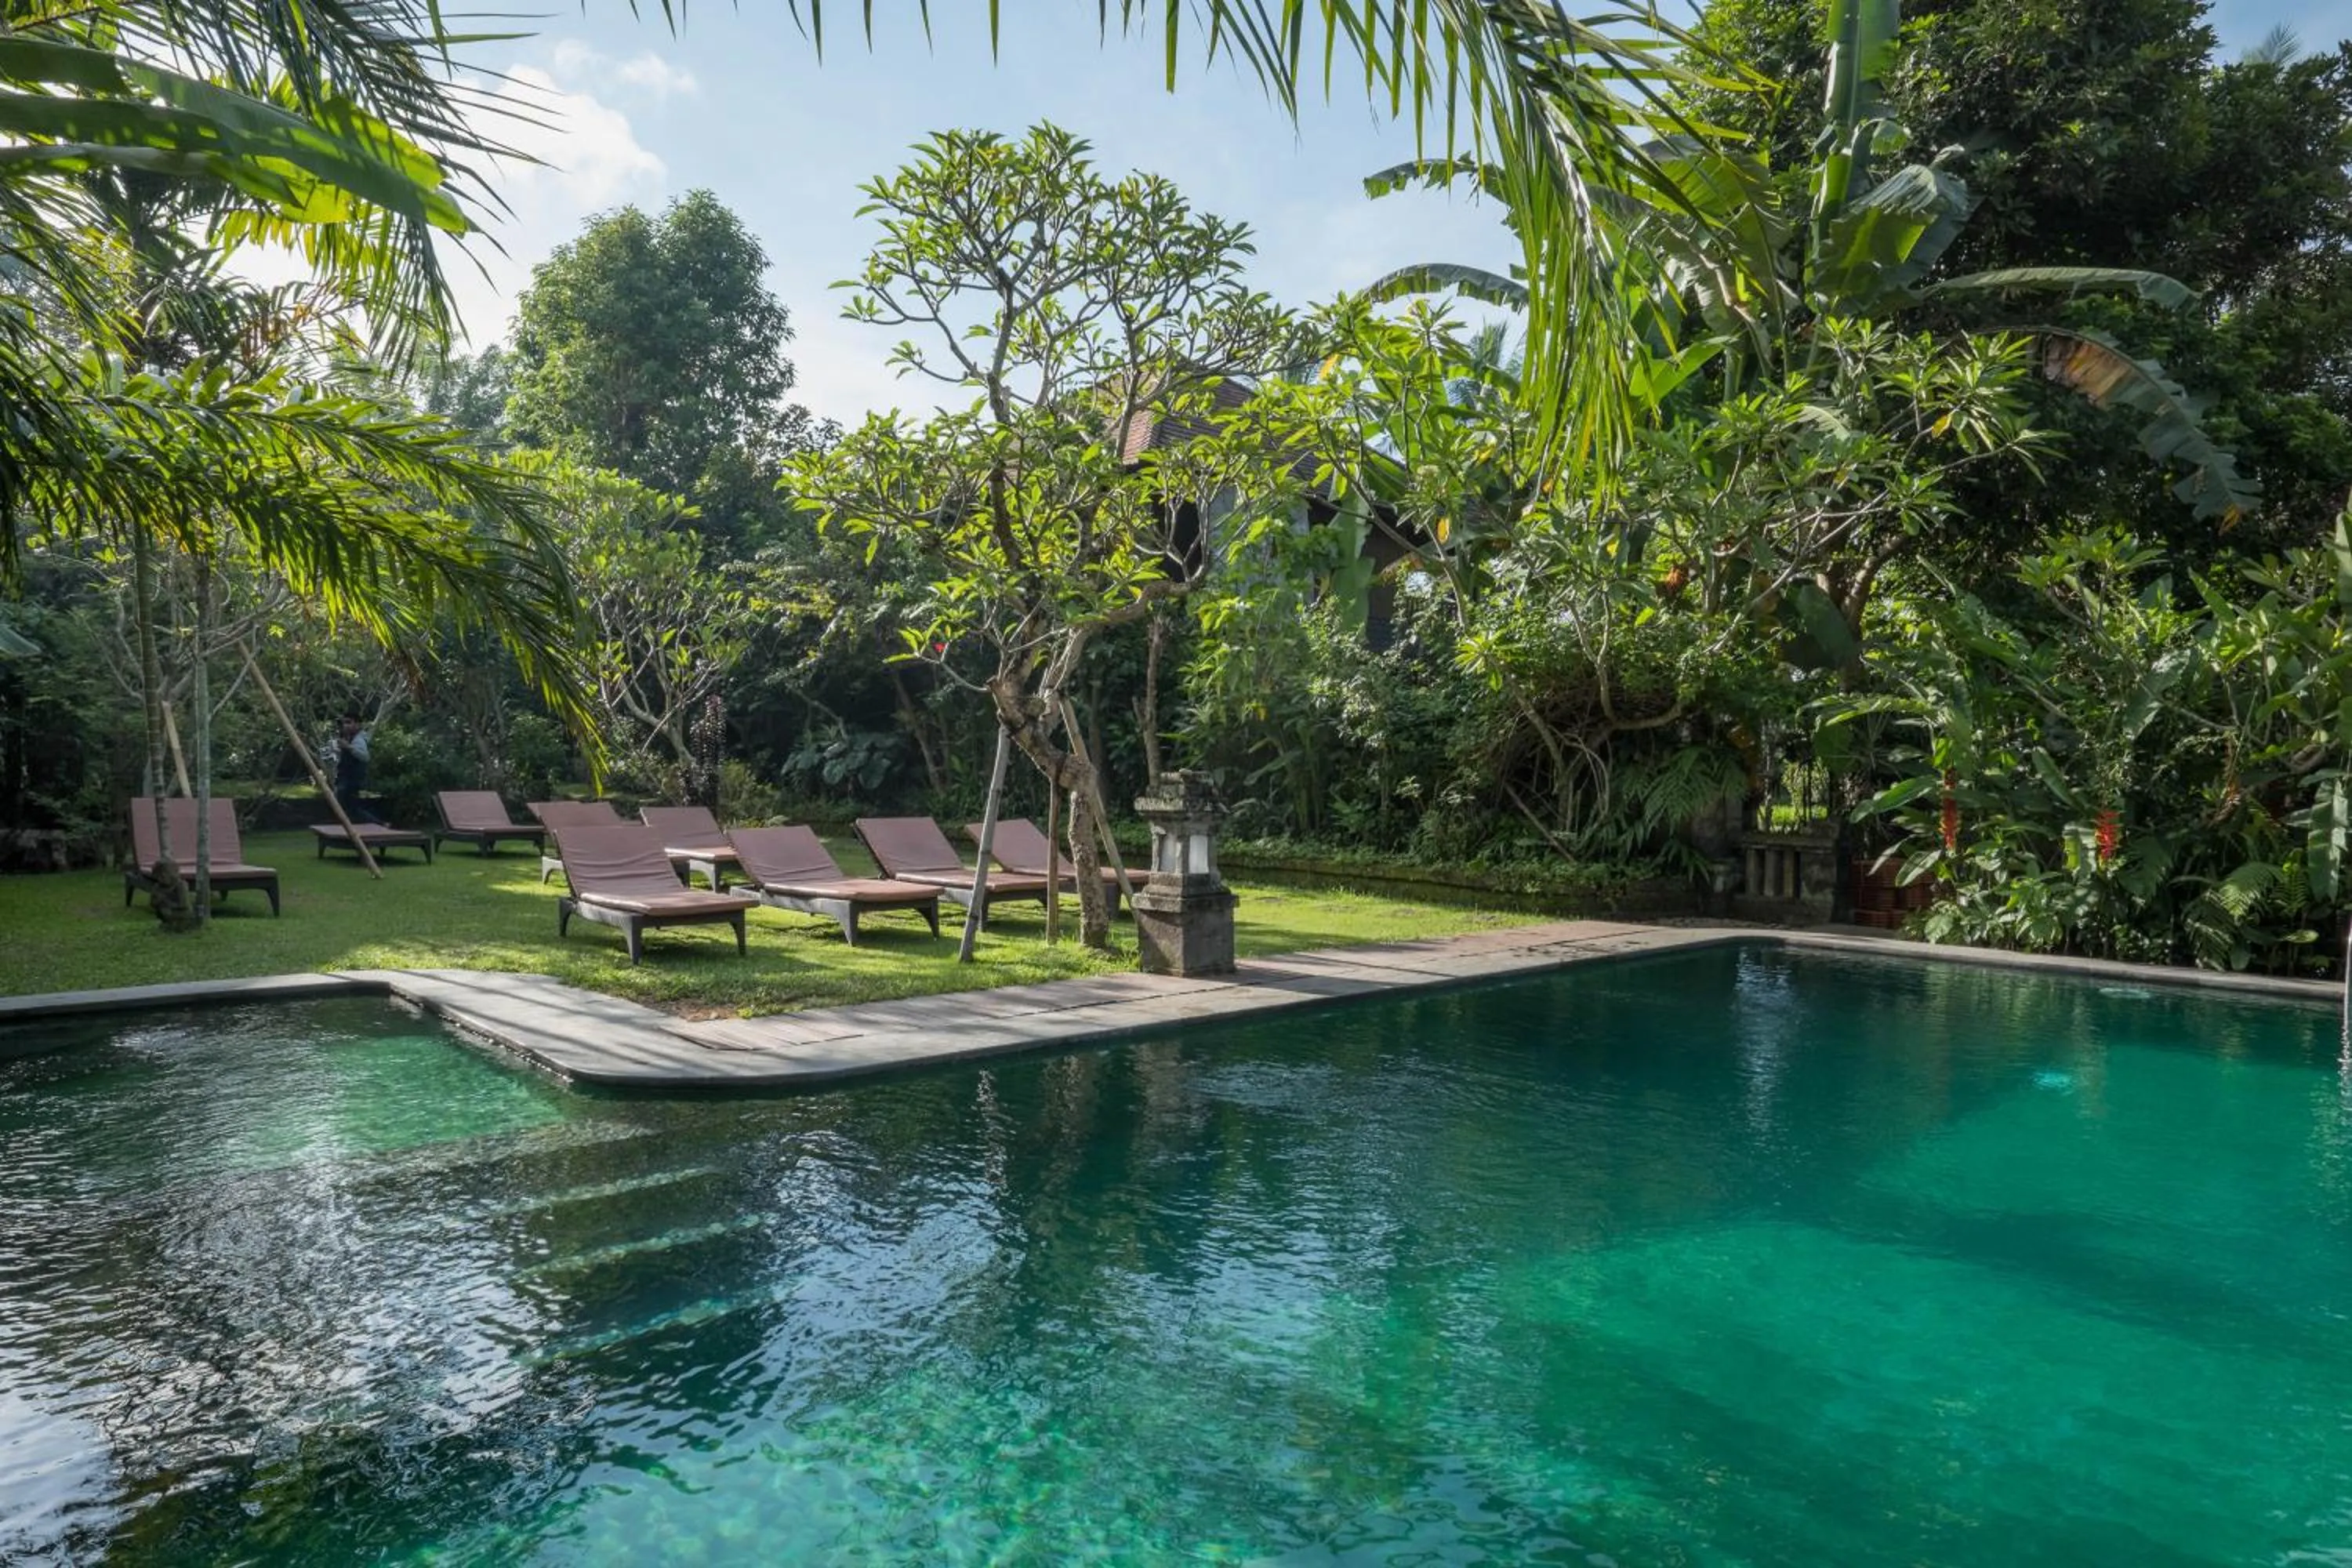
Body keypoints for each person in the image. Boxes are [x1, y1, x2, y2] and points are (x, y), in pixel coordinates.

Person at [331, 711, 384, 825]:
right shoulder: (349, 738)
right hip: (346, 778)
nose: (346, 725)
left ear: (357, 724)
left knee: (351, 809)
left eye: (349, 723)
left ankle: (379, 824)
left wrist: (348, 747)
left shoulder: (358, 739)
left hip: (351, 780)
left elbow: (365, 756)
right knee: (349, 809)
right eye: (345, 723)